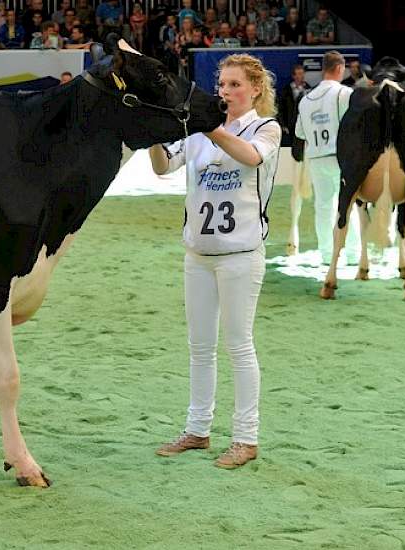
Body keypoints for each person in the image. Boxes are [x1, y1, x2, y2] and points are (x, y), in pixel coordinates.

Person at [149, 53, 281, 469]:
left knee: (239, 345)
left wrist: (210, 124)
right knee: (200, 347)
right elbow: (163, 166)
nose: (225, 91)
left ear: (256, 88)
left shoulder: (266, 128)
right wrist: (151, 133)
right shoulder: (199, 133)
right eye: (221, 84)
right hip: (199, 255)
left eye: (235, 85)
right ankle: (197, 429)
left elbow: (251, 157)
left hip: (240, 255)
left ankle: (245, 437)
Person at [295, 50, 360, 265]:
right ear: (340, 68)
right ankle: (352, 253)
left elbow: (300, 133)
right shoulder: (345, 93)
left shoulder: (305, 99)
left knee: (323, 207)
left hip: (316, 157)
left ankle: (326, 253)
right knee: (348, 205)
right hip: (341, 158)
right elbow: (353, 126)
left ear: (324, 69)